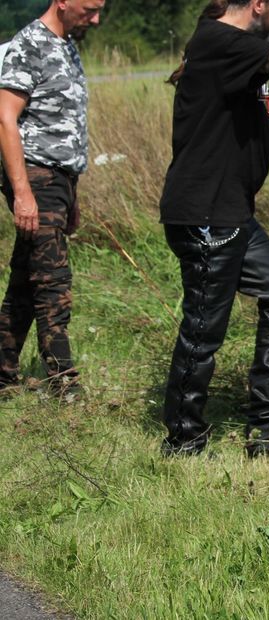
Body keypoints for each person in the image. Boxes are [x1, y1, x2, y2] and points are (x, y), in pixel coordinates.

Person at [158, 0, 269, 457]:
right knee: (203, 328)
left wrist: (266, 140)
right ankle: (183, 438)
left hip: (230, 212)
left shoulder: (232, 45)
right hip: (205, 214)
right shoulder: (221, 39)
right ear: (257, 4)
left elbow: (217, 113)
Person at [0, 0, 105, 399]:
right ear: (62, 1)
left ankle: (3, 373)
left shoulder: (66, 45)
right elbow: (5, 117)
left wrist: (72, 197)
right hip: (35, 177)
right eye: (90, 9)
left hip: (58, 182)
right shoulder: (30, 43)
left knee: (26, 283)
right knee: (52, 281)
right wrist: (23, 193)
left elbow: (65, 128)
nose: (95, 20)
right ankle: (63, 382)